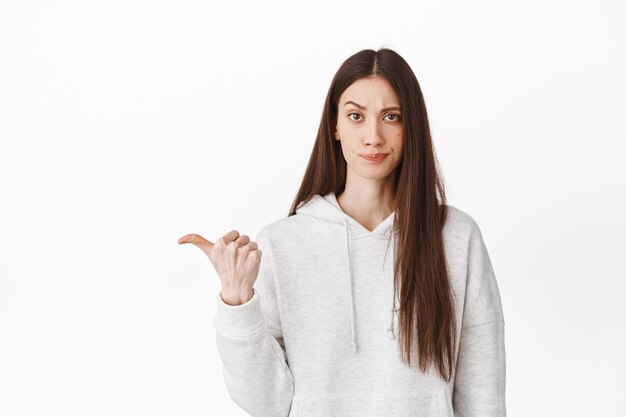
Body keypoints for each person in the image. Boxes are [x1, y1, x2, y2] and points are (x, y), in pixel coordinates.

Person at [178, 47, 506, 417]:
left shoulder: (456, 238)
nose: (373, 136)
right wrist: (237, 301)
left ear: (411, 126)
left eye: (391, 117)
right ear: (334, 125)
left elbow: (483, 396)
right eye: (356, 116)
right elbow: (266, 402)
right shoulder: (283, 245)